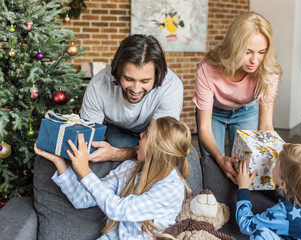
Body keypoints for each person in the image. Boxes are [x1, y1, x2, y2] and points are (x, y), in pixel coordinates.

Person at [34, 117, 191, 239]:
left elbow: (118, 209)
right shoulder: (129, 168)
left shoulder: (171, 188)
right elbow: (81, 199)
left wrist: (84, 171)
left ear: (156, 147)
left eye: (146, 134)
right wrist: (59, 162)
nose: (141, 134)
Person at [193, 12, 282, 184]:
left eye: (261, 52)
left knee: (246, 165)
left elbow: (265, 125)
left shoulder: (268, 71)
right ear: (235, 46)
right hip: (214, 113)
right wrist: (220, 158)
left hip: (246, 111)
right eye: (247, 52)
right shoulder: (208, 69)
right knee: (213, 166)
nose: (254, 61)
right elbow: (204, 130)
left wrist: (275, 155)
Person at [80, 34, 183, 162]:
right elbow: (87, 138)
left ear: (157, 75)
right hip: (119, 129)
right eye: (129, 79)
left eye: (145, 81)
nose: (135, 89)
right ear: (117, 71)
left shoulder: (171, 87)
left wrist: (115, 154)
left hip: (153, 131)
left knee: (163, 155)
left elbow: (159, 147)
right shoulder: (98, 85)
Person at [235, 143, 301, 240]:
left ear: (283, 184)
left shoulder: (285, 212)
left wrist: (243, 188)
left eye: (276, 164)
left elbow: (246, 225)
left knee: (260, 234)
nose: (273, 164)